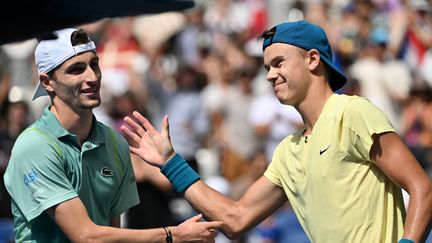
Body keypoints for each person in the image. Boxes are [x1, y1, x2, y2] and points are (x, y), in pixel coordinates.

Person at [121, 20, 432, 243]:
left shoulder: (352, 112)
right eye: (267, 67)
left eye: (279, 63)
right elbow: (236, 219)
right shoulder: (288, 150)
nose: (270, 75)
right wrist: (172, 163)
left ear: (313, 59)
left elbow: (423, 189)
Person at [3, 28, 222, 242]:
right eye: (76, 69)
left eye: (94, 65)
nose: (92, 76)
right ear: (47, 82)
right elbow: (86, 236)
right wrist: (174, 235)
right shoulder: (34, 145)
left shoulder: (114, 143)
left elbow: (114, 234)